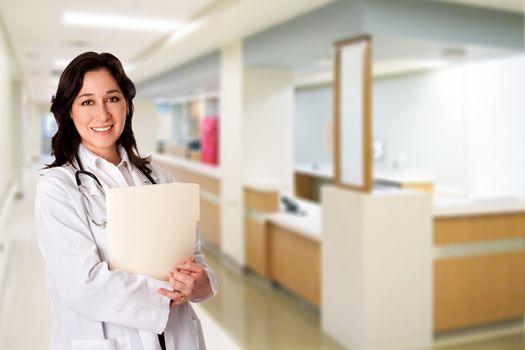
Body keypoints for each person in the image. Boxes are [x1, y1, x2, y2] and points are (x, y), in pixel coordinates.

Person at [35, 51, 218, 350]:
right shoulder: (57, 188)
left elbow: (193, 258)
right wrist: (168, 292)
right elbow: (82, 286)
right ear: (69, 111)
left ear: (127, 105)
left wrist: (202, 282)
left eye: (112, 98)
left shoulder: (160, 179)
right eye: (87, 101)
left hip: (176, 336)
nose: (103, 114)